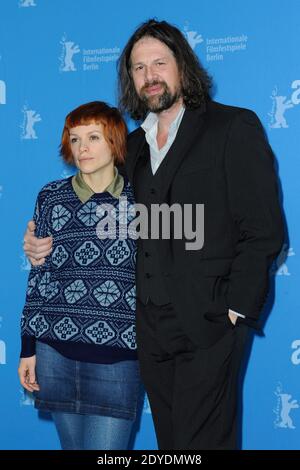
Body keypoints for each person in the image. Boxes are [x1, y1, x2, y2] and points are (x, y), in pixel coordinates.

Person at [24, 19, 284, 450]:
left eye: (159, 63)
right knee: (171, 445)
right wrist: (39, 244)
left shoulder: (232, 127)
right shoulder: (132, 147)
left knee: (203, 445)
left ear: (182, 65)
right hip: (147, 327)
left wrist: (235, 308)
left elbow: (263, 230)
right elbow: (100, 217)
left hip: (211, 321)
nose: (150, 76)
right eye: (139, 68)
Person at [18, 101, 141, 450]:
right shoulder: (51, 197)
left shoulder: (142, 199)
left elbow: (183, 247)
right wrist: (28, 348)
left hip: (117, 357)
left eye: (93, 137)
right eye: (74, 139)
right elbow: (38, 277)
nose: (82, 147)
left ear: (114, 141)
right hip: (54, 352)